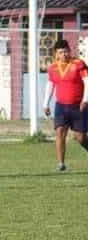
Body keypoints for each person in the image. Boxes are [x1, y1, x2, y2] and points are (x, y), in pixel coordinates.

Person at [43, 39, 88, 171]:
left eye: (66, 51)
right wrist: (45, 104)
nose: (64, 54)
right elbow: (50, 85)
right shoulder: (52, 68)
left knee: (80, 138)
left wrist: (85, 100)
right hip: (61, 106)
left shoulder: (79, 64)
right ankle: (61, 164)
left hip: (78, 106)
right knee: (60, 132)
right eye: (61, 52)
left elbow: (87, 81)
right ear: (55, 54)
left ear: (70, 50)